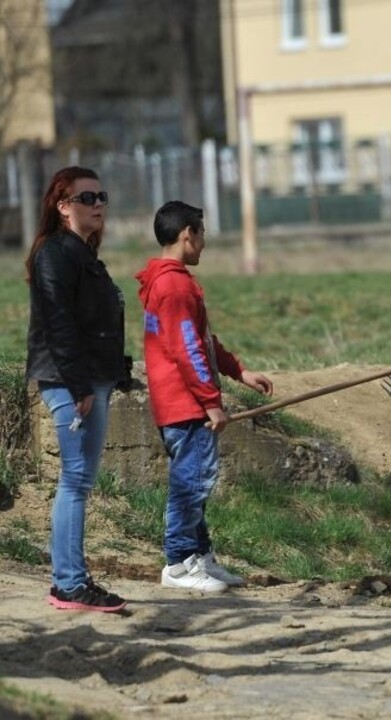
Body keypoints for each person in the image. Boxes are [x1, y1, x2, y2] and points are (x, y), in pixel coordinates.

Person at [136, 201, 274, 593]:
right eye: (202, 235)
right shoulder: (175, 285)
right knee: (191, 485)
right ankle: (179, 564)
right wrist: (210, 401)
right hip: (186, 405)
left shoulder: (164, 281)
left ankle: (201, 557)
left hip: (179, 403)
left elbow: (201, 340)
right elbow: (186, 350)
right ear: (187, 235)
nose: (203, 244)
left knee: (193, 481)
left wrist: (239, 371)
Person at [26, 167, 132, 613]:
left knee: (80, 481)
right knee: (75, 480)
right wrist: (78, 383)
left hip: (90, 378)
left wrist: (115, 372)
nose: (98, 204)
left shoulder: (81, 253)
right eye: (87, 197)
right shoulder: (56, 253)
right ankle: (68, 584)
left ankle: (72, 579)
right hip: (72, 381)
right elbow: (59, 323)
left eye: (101, 195)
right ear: (62, 204)